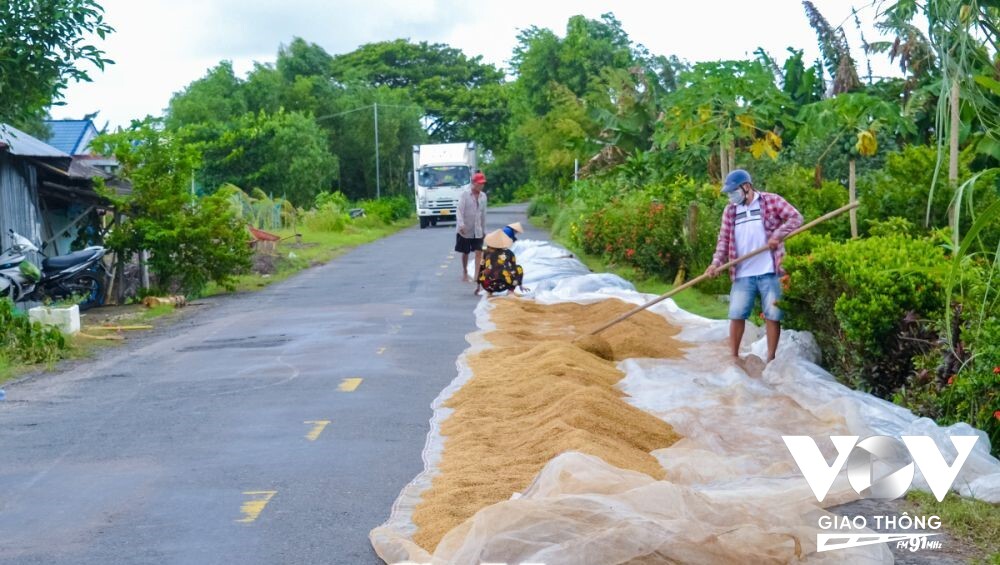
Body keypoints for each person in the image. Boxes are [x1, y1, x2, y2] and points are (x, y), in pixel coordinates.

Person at [706, 169, 803, 364]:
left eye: (734, 191)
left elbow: (796, 218)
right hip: (742, 272)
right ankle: (733, 358)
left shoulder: (771, 201)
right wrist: (715, 263)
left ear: (747, 187)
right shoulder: (731, 211)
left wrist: (778, 234)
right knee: (736, 314)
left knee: (773, 315)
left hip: (770, 270)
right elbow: (723, 241)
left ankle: (771, 359)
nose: (731, 196)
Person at [476, 223, 528, 296]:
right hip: (503, 285)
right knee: (518, 268)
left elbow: (481, 269)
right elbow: (514, 268)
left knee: (484, 268)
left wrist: (478, 286)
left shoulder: (486, 253)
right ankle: (511, 291)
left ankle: (489, 292)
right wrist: (520, 284)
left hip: (487, 286)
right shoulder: (509, 253)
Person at [456, 171, 488, 282]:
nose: (481, 185)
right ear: (474, 183)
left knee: (479, 252)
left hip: (477, 229)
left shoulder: (483, 196)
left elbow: (483, 214)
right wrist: (461, 225)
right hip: (465, 229)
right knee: (466, 252)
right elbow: (459, 211)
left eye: (483, 183)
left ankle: (476, 276)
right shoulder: (465, 194)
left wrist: (484, 230)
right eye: (479, 183)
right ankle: (465, 271)